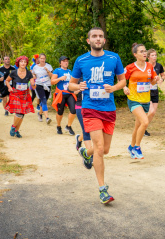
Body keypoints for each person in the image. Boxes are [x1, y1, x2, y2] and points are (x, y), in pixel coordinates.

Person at [69, 27, 126, 204]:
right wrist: (79, 87)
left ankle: (86, 152)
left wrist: (115, 88)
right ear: (89, 41)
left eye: (101, 36)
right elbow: (71, 85)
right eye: (94, 36)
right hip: (90, 108)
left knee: (105, 150)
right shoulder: (81, 60)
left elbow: (123, 80)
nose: (98, 39)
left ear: (104, 40)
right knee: (100, 148)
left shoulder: (113, 58)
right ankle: (103, 190)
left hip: (108, 109)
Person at [123, 43, 157, 159]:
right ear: (135, 54)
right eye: (141, 51)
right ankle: (137, 147)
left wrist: (155, 79)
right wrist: (124, 87)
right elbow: (122, 79)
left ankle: (131, 147)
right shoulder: (130, 67)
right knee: (145, 122)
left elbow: (152, 82)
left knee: (138, 127)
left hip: (145, 100)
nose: (144, 53)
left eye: (145, 51)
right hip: (133, 100)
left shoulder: (149, 67)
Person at [5, 56, 35, 138]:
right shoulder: (14, 72)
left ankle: (16, 130)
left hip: (25, 94)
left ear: (26, 64)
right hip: (15, 94)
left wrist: (33, 84)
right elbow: (7, 81)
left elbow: (33, 84)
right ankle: (13, 126)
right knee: (18, 112)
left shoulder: (29, 73)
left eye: (25, 62)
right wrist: (9, 87)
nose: (23, 63)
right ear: (18, 63)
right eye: (21, 61)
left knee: (22, 114)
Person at [51, 56, 77, 135]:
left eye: (67, 61)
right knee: (60, 112)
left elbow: (73, 82)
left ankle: (68, 126)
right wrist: (60, 78)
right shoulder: (57, 70)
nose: (66, 62)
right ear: (60, 63)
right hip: (60, 94)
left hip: (69, 93)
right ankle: (58, 126)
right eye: (64, 61)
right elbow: (52, 82)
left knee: (73, 110)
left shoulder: (70, 71)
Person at [74, 77, 94, 169]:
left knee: (89, 129)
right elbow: (74, 92)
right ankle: (89, 156)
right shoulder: (79, 77)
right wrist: (79, 88)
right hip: (80, 106)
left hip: (92, 107)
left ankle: (79, 139)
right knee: (86, 129)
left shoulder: (94, 77)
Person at [145, 49, 165, 136]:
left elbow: (163, 75)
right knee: (151, 111)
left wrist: (162, 79)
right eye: (152, 55)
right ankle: (142, 126)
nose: (154, 57)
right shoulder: (145, 66)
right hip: (146, 91)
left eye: (155, 55)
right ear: (148, 57)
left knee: (153, 113)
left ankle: (143, 129)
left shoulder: (159, 66)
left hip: (155, 92)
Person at [32, 53, 53, 124]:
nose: (42, 60)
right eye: (41, 58)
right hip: (39, 85)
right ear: (39, 59)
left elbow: (52, 76)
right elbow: (33, 75)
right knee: (43, 100)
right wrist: (33, 76)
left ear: (45, 59)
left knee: (44, 101)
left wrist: (47, 70)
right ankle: (47, 118)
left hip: (47, 85)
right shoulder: (35, 67)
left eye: (44, 58)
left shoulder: (49, 66)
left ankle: (40, 113)